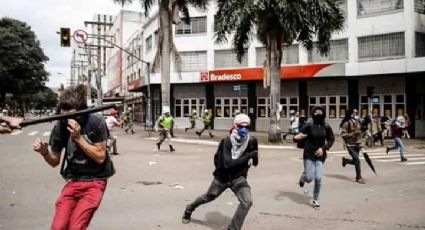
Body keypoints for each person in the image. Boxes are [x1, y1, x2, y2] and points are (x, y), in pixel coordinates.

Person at [32, 84, 115, 230]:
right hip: (73, 180)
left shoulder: (95, 122)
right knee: (58, 227)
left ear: (82, 112)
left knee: (76, 227)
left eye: (71, 115)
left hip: (95, 181)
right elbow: (54, 162)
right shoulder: (60, 126)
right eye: (64, 116)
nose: (67, 120)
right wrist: (45, 152)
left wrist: (78, 138)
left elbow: (100, 157)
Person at [182, 114, 258, 230]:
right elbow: (227, 165)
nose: (244, 129)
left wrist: (254, 151)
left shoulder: (251, 141)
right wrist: (248, 156)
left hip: (238, 178)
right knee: (209, 197)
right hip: (222, 177)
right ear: (235, 126)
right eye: (240, 126)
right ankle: (189, 208)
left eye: (246, 127)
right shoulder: (227, 142)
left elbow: (255, 162)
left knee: (247, 202)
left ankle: (233, 228)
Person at [294, 106, 334, 208]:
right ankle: (304, 176)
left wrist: (323, 148)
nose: (318, 113)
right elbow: (299, 136)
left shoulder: (326, 125)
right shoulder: (309, 124)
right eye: (316, 112)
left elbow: (331, 139)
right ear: (313, 113)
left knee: (318, 178)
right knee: (309, 178)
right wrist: (296, 138)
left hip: (320, 155)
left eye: (321, 111)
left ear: (324, 113)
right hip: (309, 154)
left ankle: (315, 199)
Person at [340, 108, 366, 184]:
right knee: (357, 160)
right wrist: (353, 134)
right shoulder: (346, 123)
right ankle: (359, 177)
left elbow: (361, 132)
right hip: (349, 144)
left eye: (356, 113)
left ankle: (346, 161)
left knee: (356, 161)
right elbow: (343, 134)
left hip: (357, 143)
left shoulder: (358, 121)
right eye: (354, 113)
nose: (355, 114)